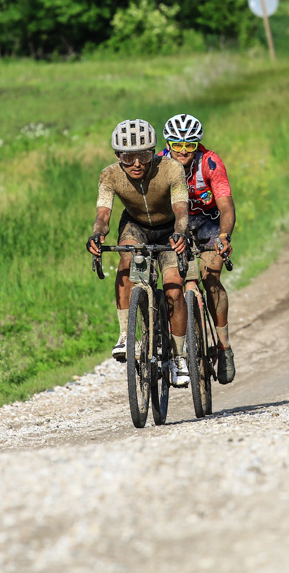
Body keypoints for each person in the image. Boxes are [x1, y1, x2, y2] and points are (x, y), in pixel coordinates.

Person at [87, 119, 192, 387]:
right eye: (128, 156)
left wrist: (180, 233)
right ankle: (125, 334)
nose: (136, 163)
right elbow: (103, 214)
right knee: (126, 259)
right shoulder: (109, 175)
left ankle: (179, 357)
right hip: (136, 226)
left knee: (174, 290)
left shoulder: (172, 169)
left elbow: (181, 209)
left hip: (170, 228)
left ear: (153, 153)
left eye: (144, 155)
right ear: (117, 157)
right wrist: (98, 235)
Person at [160, 113, 238, 384]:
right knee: (175, 282)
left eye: (190, 145)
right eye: (177, 145)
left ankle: (224, 346)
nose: (183, 151)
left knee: (211, 277)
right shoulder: (158, 164)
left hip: (208, 224)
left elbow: (226, 205)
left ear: (197, 145)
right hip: (174, 225)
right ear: (167, 143)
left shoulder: (211, 162)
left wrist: (225, 235)